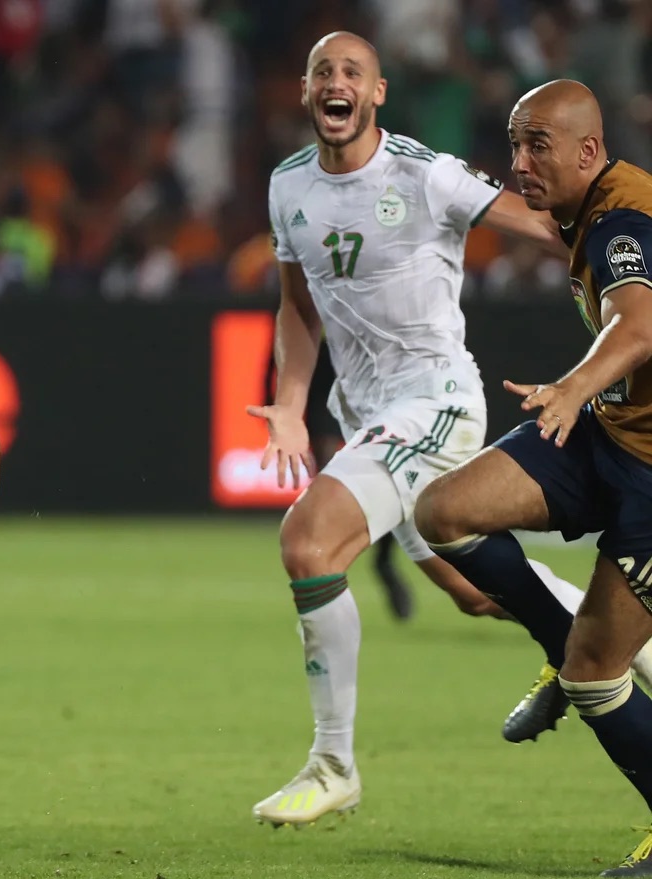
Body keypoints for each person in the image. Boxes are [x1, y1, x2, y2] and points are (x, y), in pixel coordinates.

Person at [248, 32, 594, 828]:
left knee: (309, 543)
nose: (336, 82)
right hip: (368, 414)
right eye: (323, 71)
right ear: (306, 91)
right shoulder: (288, 184)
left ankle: (332, 764)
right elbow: (297, 306)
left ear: (377, 93)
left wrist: (621, 263)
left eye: (352, 72)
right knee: (476, 591)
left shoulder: (423, 173)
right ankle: (618, 635)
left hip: (433, 401)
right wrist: (291, 403)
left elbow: (550, 227)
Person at [415, 80, 652, 878]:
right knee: (444, 511)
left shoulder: (623, 220)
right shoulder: (583, 209)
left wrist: (573, 388)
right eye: (515, 143)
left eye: (537, 145)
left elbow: (639, 324)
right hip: (611, 434)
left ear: (588, 151)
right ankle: (557, 639)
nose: (520, 161)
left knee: (596, 674)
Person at [307, 339, 415, 621]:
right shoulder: (313, 313)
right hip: (323, 391)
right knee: (328, 490)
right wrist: (280, 404)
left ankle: (383, 561)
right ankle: (325, 573)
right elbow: (288, 342)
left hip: (369, 394)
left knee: (387, 483)